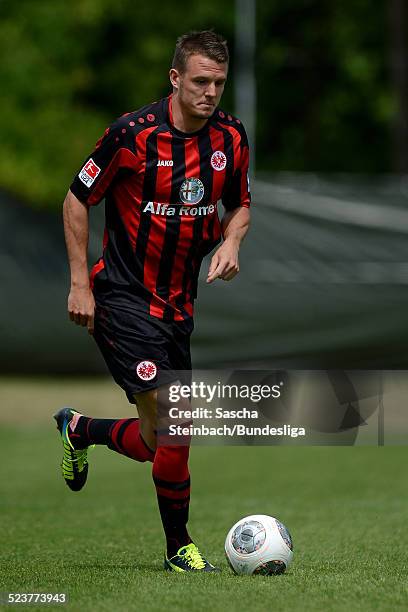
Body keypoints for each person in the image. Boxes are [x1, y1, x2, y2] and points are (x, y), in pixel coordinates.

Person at [55, 29, 251, 573]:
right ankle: (178, 548)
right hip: (122, 298)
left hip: (178, 308)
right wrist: (79, 284)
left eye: (219, 83)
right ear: (175, 78)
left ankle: (80, 429)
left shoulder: (231, 139)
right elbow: (75, 200)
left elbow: (239, 206)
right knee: (176, 426)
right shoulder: (131, 134)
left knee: (154, 440)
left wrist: (233, 239)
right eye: (200, 81)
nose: (210, 93)